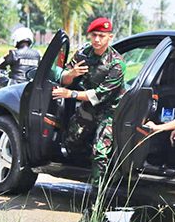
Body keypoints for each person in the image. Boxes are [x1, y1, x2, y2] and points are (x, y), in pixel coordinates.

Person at [51, 17, 125, 185]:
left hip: (110, 111)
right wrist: (71, 74)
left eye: (101, 36)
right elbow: (63, 78)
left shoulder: (117, 64)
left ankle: (98, 194)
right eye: (94, 35)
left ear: (110, 37)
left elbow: (99, 95)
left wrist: (70, 94)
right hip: (88, 108)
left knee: (100, 152)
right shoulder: (83, 54)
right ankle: (87, 170)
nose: (97, 39)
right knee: (70, 141)